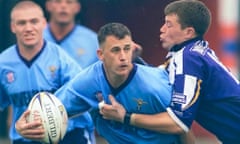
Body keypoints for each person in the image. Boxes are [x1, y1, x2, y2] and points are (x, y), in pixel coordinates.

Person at [16, 22, 182, 144]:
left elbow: (181, 125)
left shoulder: (155, 84)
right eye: (116, 50)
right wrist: (22, 127)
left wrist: (126, 118)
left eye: (126, 49)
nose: (123, 57)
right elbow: (50, 110)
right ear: (100, 55)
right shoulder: (88, 82)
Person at [99, 0, 240, 143]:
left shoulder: (189, 58)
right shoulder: (191, 52)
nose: (162, 29)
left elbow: (177, 123)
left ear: (188, 32)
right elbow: (160, 83)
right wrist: (136, 60)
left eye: (169, 24)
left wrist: (125, 117)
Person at [0, 1, 89, 143]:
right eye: (22, 23)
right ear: (13, 27)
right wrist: (16, 126)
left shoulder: (61, 59)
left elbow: (84, 96)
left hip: (68, 136)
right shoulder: (3, 63)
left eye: (34, 21)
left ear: (43, 23)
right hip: (25, 139)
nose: (28, 28)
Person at [43, 0, 97, 143]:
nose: (63, 6)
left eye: (69, 2)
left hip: (78, 124)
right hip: (38, 124)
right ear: (48, 5)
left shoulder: (92, 40)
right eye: (58, 1)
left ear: (77, 7)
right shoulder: (35, 38)